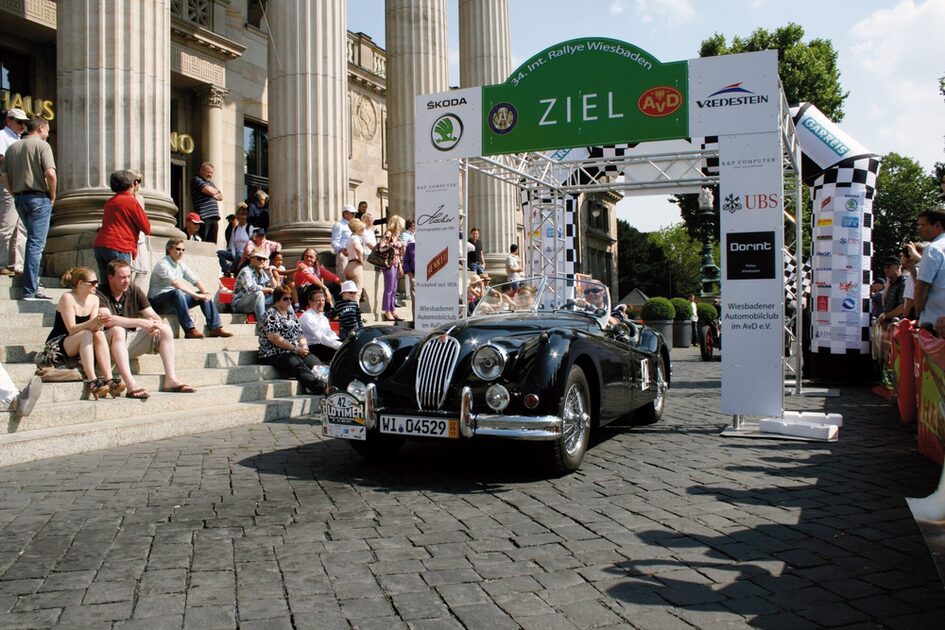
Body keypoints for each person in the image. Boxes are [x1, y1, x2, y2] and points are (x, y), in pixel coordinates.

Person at [99, 259, 195, 399]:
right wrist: (140, 322)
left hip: (128, 342)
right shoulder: (100, 292)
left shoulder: (134, 290)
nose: (126, 281)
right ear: (110, 277)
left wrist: (155, 324)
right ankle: (130, 384)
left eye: (128, 276)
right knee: (117, 329)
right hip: (106, 345)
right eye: (122, 277)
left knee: (165, 329)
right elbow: (107, 320)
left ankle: (171, 379)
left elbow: (152, 315)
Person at [0, 117, 55, 301]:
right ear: (40, 128)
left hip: (20, 198)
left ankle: (33, 284)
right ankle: (30, 289)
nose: (48, 133)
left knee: (30, 241)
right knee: (35, 244)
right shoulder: (42, 146)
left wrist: (14, 193)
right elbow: (50, 173)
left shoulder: (13, 147)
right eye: (47, 130)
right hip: (39, 197)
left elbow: (4, 175)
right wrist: (53, 194)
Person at [47, 267, 115, 399]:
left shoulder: (94, 299)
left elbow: (94, 328)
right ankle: (92, 379)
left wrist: (100, 322)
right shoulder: (68, 298)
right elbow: (71, 329)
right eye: (93, 282)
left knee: (99, 334)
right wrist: (93, 322)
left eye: (97, 282)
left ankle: (109, 379)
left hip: (82, 340)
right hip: (59, 343)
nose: (97, 285)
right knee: (86, 333)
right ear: (80, 283)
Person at [148, 238, 233, 339]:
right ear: (169, 249)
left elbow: (195, 280)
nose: (181, 252)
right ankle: (189, 330)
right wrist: (196, 295)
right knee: (178, 293)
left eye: (183, 250)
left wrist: (205, 293)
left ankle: (215, 328)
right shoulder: (163, 264)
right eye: (178, 249)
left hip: (176, 300)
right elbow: (177, 284)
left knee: (203, 295)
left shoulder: (180, 265)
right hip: (157, 302)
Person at [257, 286, 324, 394]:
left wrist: (304, 347)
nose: (289, 301)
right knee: (297, 364)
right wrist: (295, 349)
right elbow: (275, 338)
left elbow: (300, 334)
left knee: (315, 362)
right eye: (285, 299)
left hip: (293, 350)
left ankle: (329, 383)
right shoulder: (270, 315)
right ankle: (319, 388)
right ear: (277, 300)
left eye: (290, 298)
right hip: (273, 352)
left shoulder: (291, 315)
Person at [93, 169, 151, 284]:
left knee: (106, 285)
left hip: (101, 245)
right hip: (120, 246)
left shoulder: (110, 202)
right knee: (122, 285)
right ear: (130, 184)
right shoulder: (131, 201)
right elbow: (146, 228)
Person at [0, 108, 28, 276]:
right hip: (8, 182)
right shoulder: (2, 135)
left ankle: (16, 264)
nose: (22, 126)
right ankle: (2, 262)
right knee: (7, 225)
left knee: (21, 227)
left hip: (20, 184)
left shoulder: (19, 139)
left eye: (24, 123)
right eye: (19, 122)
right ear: (8, 121)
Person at [914, 209, 945, 336]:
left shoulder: (933, 249)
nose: (919, 229)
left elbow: (921, 287)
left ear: (937, 225)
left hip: (934, 327)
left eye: (923, 225)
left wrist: (917, 313)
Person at [299, 288, 341, 363]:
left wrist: (342, 343)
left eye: (323, 300)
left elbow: (330, 334)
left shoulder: (323, 317)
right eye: (318, 300)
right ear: (310, 302)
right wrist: (341, 346)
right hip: (311, 348)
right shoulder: (307, 317)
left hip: (322, 345)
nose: (321, 303)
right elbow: (322, 338)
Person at [233, 248, 274, 321]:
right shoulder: (246, 271)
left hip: (258, 302)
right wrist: (269, 289)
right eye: (259, 258)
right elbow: (250, 288)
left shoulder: (262, 272)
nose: (262, 261)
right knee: (259, 294)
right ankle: (262, 325)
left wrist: (270, 275)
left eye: (264, 259)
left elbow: (274, 287)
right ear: (251, 259)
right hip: (240, 303)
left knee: (281, 296)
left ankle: (295, 326)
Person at [380, 215, 406, 322]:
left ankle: (392, 310)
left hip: (395, 263)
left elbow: (399, 254)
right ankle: (387, 311)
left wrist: (400, 266)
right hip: (389, 263)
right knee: (389, 288)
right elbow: (382, 247)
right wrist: (394, 244)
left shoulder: (397, 236)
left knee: (394, 289)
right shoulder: (389, 234)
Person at [190, 161, 222, 243]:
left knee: (212, 243)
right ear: (202, 171)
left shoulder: (210, 183)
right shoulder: (196, 179)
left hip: (214, 217)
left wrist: (211, 193)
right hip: (204, 216)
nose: (210, 174)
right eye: (208, 172)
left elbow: (221, 196)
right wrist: (212, 193)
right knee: (203, 240)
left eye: (211, 173)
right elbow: (207, 189)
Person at [218, 203, 250, 276]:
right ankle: (225, 270)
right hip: (234, 253)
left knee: (240, 254)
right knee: (219, 253)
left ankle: (231, 270)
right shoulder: (234, 229)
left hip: (244, 253)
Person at [877, 257, 906, 327]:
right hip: (890, 325)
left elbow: (903, 306)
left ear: (898, 267)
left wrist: (885, 316)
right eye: (884, 267)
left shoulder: (903, 283)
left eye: (888, 267)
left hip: (898, 325)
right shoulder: (891, 283)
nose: (885, 270)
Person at [331, 204, 356, 278]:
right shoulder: (339, 225)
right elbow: (334, 242)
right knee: (344, 279)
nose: (354, 215)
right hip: (344, 254)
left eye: (354, 213)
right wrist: (341, 249)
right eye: (352, 213)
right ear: (345, 214)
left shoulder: (353, 225)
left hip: (353, 255)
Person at [344, 217, 366, 288]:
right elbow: (357, 247)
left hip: (349, 265)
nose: (363, 230)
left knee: (350, 290)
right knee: (358, 291)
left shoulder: (350, 238)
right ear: (357, 229)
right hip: (355, 265)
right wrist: (360, 259)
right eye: (362, 229)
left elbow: (347, 252)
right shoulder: (355, 238)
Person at [402, 219, 416, 314]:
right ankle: (415, 320)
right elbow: (406, 262)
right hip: (414, 275)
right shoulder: (410, 246)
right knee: (415, 299)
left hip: (427, 275)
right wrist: (410, 275)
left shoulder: (428, 247)